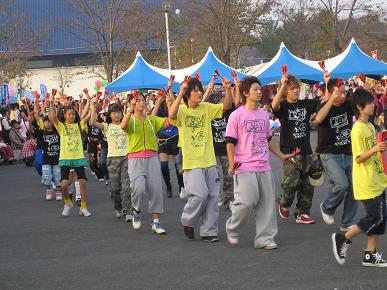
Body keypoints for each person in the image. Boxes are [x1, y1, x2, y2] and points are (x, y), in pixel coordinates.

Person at [225, 76, 291, 249]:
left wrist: (281, 156)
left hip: (264, 165)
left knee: (267, 205)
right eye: (255, 89)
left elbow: (267, 140)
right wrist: (232, 163)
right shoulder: (236, 115)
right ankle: (232, 228)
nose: (259, 91)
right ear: (246, 93)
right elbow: (230, 142)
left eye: (260, 89)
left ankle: (264, 238)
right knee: (246, 202)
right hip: (244, 166)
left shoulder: (263, 114)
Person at [169, 77, 233, 242]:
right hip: (192, 162)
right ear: (188, 94)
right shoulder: (182, 110)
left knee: (212, 197)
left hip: (209, 160)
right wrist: (180, 91)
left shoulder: (206, 108)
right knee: (200, 195)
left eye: (200, 90)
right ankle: (188, 220)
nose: (199, 93)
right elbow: (171, 115)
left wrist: (228, 89)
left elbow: (226, 106)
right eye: (195, 90)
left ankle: (209, 231)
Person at [332, 88, 387, 267]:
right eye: (369, 103)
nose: (373, 105)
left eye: (373, 102)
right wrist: (375, 148)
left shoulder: (370, 126)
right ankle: (343, 237)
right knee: (374, 217)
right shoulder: (357, 130)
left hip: (377, 178)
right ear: (359, 106)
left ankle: (370, 255)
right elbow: (358, 157)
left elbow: (375, 152)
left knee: (381, 218)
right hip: (366, 181)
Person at [272, 74, 319, 224]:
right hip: (289, 151)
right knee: (292, 181)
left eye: (297, 88)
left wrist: (326, 81)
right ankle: (284, 203)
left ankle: (302, 213)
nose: (296, 91)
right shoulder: (284, 106)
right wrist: (282, 86)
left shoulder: (305, 104)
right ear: (286, 91)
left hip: (306, 150)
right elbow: (274, 106)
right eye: (292, 89)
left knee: (307, 184)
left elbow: (322, 102)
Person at [120, 93, 168, 235]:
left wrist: (167, 100)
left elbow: (169, 120)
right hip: (135, 159)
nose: (141, 103)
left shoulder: (152, 120)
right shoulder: (131, 120)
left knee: (156, 191)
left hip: (152, 158)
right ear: (132, 103)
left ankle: (156, 223)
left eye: (143, 100)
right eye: (138, 101)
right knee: (138, 189)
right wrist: (129, 110)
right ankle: (136, 210)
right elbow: (123, 126)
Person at [315, 75, 358, 232]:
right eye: (338, 92)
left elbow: (361, 104)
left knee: (354, 188)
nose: (342, 95)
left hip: (348, 152)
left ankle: (347, 222)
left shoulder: (347, 105)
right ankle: (327, 207)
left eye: (343, 91)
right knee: (342, 183)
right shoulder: (323, 106)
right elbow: (318, 119)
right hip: (329, 154)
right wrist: (331, 100)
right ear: (331, 93)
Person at [48, 95, 92, 217]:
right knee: (63, 185)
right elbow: (52, 117)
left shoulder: (79, 125)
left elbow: (89, 116)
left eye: (73, 114)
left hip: (78, 158)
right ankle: (67, 203)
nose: (71, 116)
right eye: (69, 114)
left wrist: (91, 103)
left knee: (82, 182)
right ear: (65, 116)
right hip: (65, 159)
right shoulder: (61, 127)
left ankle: (83, 207)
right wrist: (51, 103)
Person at [91, 101, 132, 221]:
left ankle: (128, 211)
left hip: (126, 158)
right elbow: (93, 122)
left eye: (118, 112)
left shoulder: (126, 124)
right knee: (115, 188)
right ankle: (118, 208)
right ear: (109, 115)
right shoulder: (106, 126)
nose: (117, 115)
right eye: (114, 113)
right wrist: (93, 107)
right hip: (112, 159)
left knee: (126, 186)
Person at [151, 89, 184, 198]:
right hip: (162, 138)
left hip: (174, 137)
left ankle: (181, 186)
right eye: (164, 94)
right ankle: (168, 186)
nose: (167, 96)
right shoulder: (159, 107)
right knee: (164, 165)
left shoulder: (175, 107)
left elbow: (172, 117)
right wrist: (159, 102)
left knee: (177, 165)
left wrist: (170, 103)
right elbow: (151, 117)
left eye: (168, 94)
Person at [34, 115, 61, 201]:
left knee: (58, 175)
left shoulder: (58, 132)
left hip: (57, 158)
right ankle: (48, 190)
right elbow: (31, 131)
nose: (48, 123)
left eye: (49, 121)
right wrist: (30, 121)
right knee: (46, 175)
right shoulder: (42, 133)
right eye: (46, 122)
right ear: (43, 123)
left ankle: (58, 192)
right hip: (46, 159)